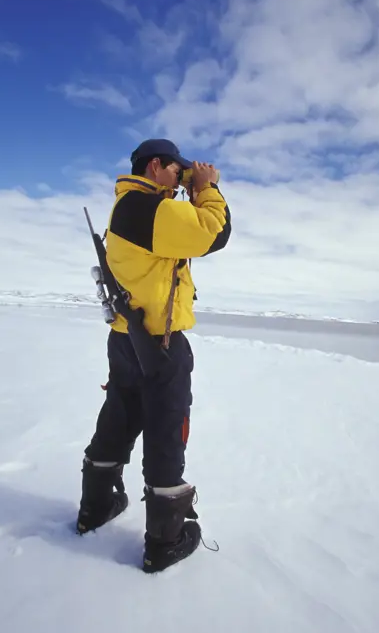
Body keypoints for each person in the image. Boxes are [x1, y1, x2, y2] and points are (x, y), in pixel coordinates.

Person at [76, 138, 231, 573]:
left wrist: (185, 188)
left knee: (121, 412)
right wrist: (207, 188)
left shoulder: (130, 208)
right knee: (165, 426)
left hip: (127, 337)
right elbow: (212, 233)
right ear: (156, 166)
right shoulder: (145, 208)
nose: (180, 180)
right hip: (159, 343)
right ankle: (165, 542)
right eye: (176, 172)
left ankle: (96, 508)